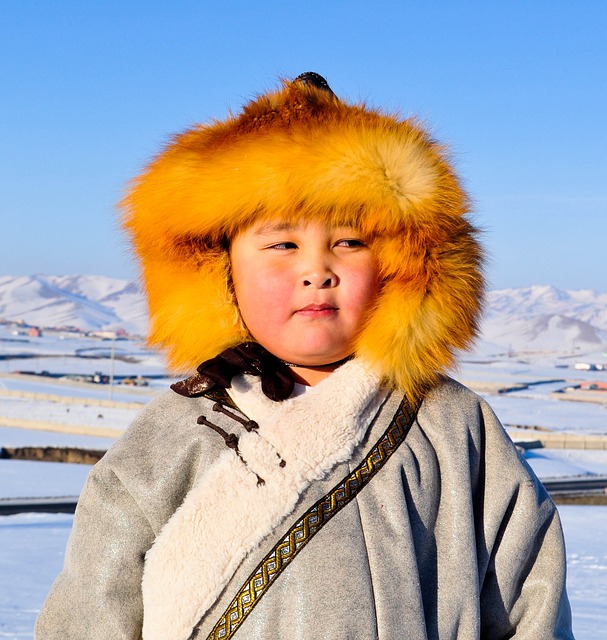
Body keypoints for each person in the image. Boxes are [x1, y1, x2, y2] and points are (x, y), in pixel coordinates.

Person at [35, 73, 574, 639]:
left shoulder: (454, 427)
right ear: (219, 273)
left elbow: (531, 605)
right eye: (282, 244)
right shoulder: (171, 436)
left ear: (404, 269)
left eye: (349, 241)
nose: (317, 269)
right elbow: (90, 613)